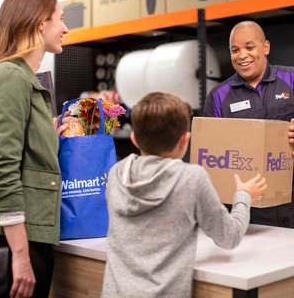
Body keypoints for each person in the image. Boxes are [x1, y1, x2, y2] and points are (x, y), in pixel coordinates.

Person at [101, 92, 267, 298]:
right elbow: (229, 237)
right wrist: (243, 195)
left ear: (134, 138)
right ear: (184, 140)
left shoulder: (116, 173)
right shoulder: (192, 178)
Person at [0, 0, 69, 297]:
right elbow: (0, 166)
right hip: (14, 243)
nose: (65, 27)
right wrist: (20, 255)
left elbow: (22, 155)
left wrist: (48, 136)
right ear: (39, 24)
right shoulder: (10, 76)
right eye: (61, 18)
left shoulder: (24, 79)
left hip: (33, 236)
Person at [203, 20, 294, 228]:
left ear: (266, 47)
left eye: (249, 47)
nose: (242, 55)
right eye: (235, 50)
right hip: (248, 210)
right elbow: (209, 155)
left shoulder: (291, 79)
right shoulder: (219, 96)